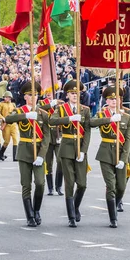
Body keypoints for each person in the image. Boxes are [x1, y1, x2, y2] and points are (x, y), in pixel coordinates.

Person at [5, 81, 51, 227]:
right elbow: (8, 119)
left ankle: (36, 210)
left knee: (40, 183)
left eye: (36, 95)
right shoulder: (20, 111)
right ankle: (29, 215)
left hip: (38, 152)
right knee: (26, 185)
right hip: (24, 152)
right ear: (25, 97)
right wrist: (26, 115)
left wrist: (41, 155)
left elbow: (47, 136)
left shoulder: (43, 114)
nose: (33, 97)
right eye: (30, 95)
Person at [49, 80, 91, 228]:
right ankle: (71, 216)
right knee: (69, 183)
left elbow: (87, 132)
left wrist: (84, 151)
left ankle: (76, 206)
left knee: (82, 184)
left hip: (79, 148)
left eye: (77, 93)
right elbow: (51, 121)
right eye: (72, 93)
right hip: (66, 148)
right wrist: (69, 118)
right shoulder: (62, 109)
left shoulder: (85, 110)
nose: (75, 95)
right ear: (67, 95)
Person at [90, 86, 130, 228]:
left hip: (121, 154)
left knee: (121, 186)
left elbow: (128, 140)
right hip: (106, 153)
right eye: (112, 99)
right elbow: (91, 123)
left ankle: (114, 204)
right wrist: (109, 119)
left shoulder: (126, 116)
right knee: (111, 186)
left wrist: (123, 159)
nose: (115, 101)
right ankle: (113, 218)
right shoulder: (102, 114)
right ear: (107, 100)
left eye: (117, 98)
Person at [39, 93, 62, 196]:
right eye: (47, 93)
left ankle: (59, 186)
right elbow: (39, 109)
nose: (49, 95)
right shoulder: (41, 103)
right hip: (48, 137)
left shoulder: (60, 103)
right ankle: (50, 187)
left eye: (50, 93)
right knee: (48, 164)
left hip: (58, 136)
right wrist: (50, 105)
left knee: (60, 161)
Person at [0, 92, 18, 161]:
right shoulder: (1, 104)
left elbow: (16, 112)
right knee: (7, 140)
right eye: (5, 97)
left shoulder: (13, 105)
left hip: (13, 124)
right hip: (6, 124)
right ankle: (1, 153)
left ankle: (15, 157)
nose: (6, 98)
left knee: (15, 140)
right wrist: (2, 117)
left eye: (7, 97)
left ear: (10, 98)